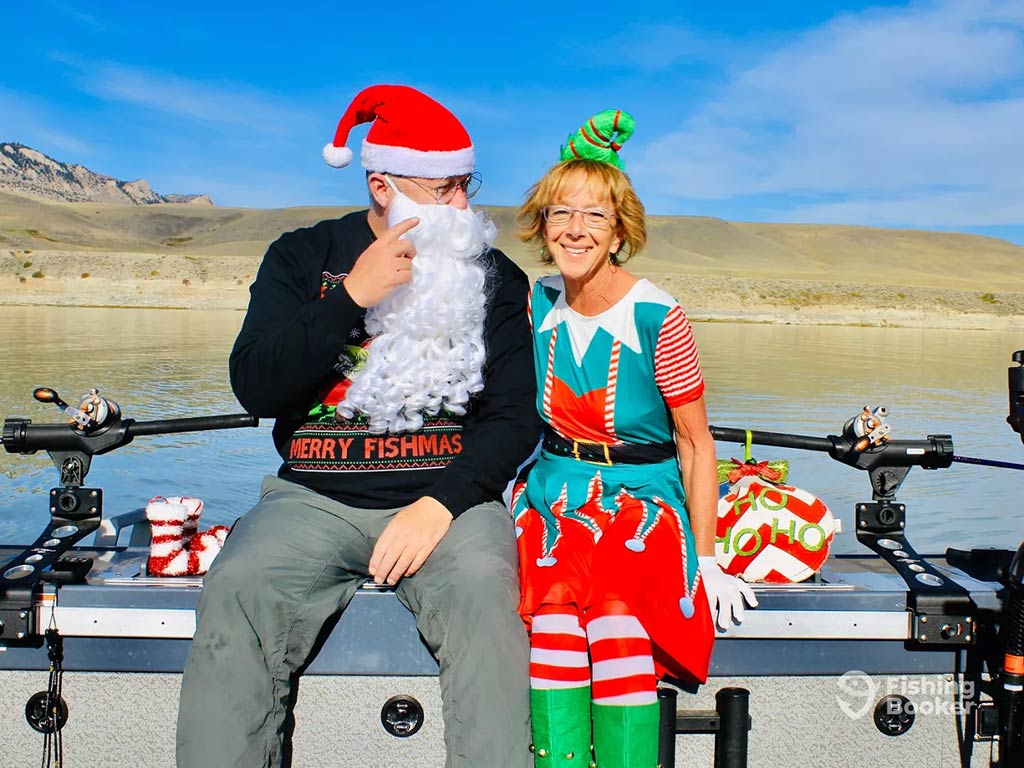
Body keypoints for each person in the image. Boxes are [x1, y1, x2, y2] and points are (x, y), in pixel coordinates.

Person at [176, 84, 539, 768]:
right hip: (312, 499)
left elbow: (516, 417)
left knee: (490, 598)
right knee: (239, 587)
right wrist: (352, 297)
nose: (462, 206)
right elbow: (255, 384)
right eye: (444, 190)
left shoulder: (494, 276)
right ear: (381, 184)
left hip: (448, 504)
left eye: (466, 185)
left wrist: (442, 503)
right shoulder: (302, 256)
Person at [512, 110, 757, 768]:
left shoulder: (657, 314)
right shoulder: (534, 304)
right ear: (541, 225)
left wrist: (705, 560)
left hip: (643, 497)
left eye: (594, 215)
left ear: (619, 230)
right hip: (556, 495)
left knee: (618, 619)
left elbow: (696, 443)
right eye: (561, 213)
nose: (575, 229)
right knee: (555, 624)